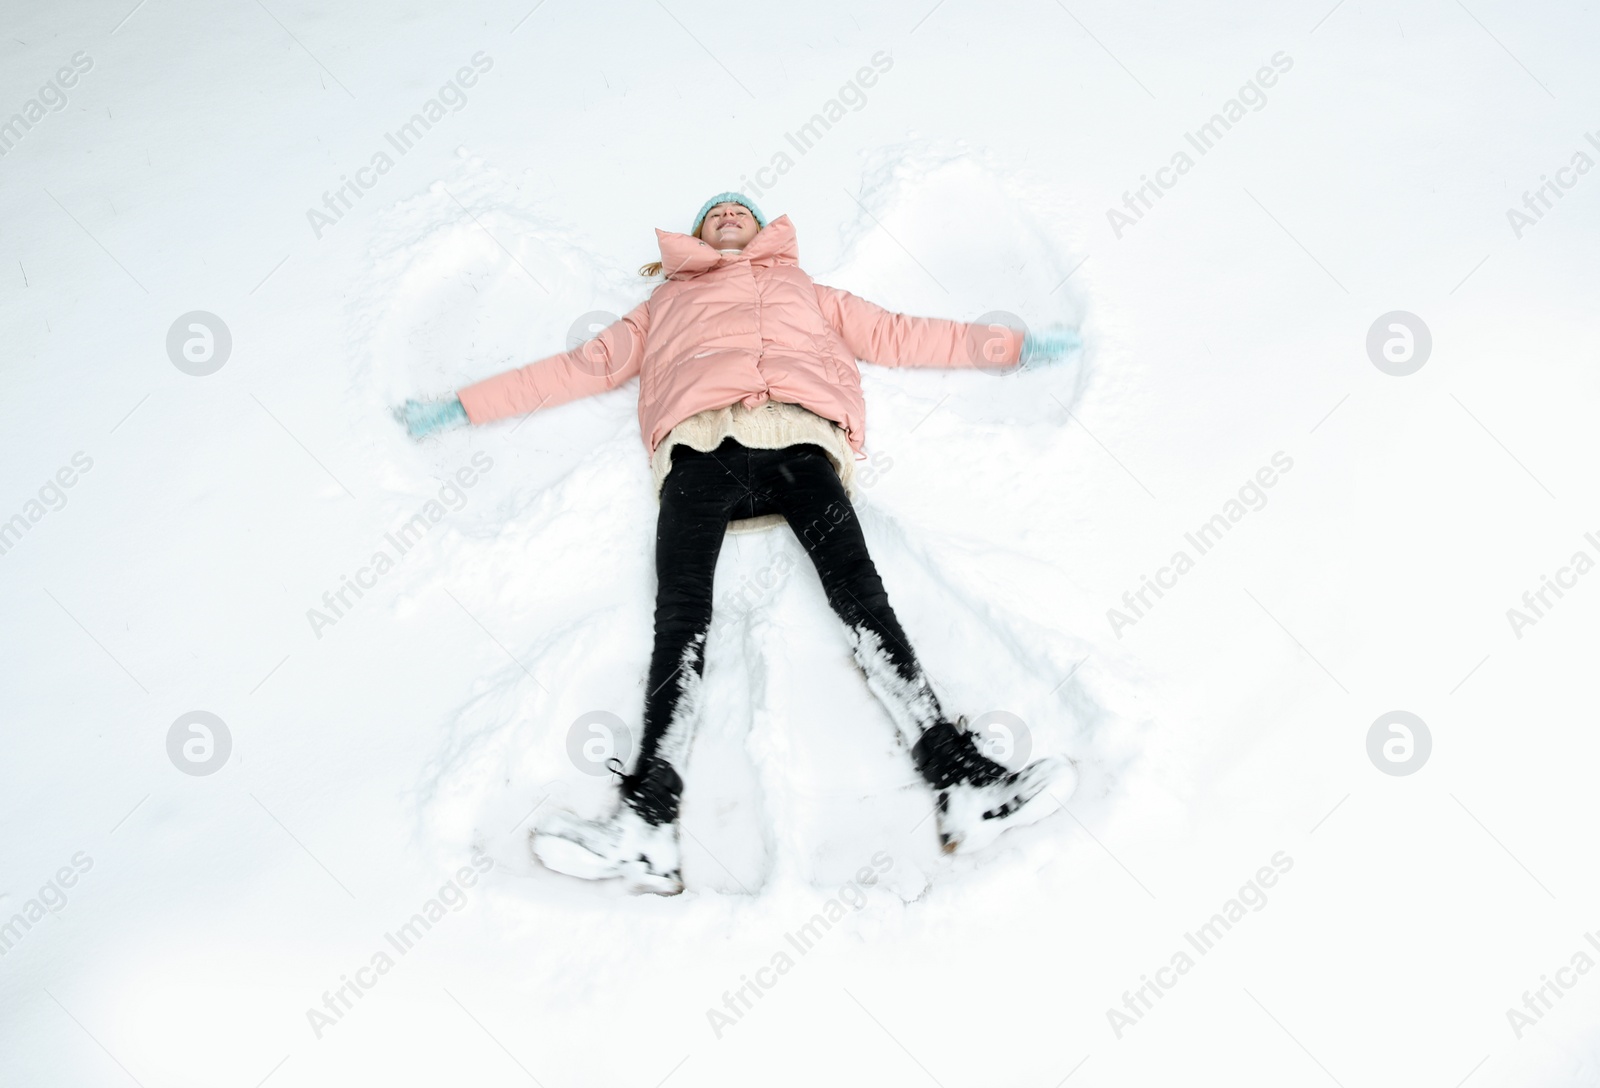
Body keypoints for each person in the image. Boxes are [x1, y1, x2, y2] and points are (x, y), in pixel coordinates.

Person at [396, 192, 1082, 895]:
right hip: (699, 456)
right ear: (698, 233)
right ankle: (645, 824)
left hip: (799, 444)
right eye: (715, 212)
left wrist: (1014, 348)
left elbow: (903, 334)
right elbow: (579, 367)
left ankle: (960, 777)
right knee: (681, 619)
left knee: (862, 597)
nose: (728, 214)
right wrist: (465, 405)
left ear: (763, 228)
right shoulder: (664, 305)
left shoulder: (806, 290)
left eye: (741, 209)